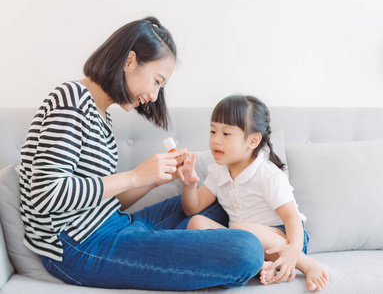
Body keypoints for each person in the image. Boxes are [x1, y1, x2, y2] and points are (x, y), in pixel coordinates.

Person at [19, 17, 264, 291]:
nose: (155, 95)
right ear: (130, 61)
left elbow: (104, 200)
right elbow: (45, 195)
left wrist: (154, 179)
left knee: (211, 203)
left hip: (112, 225)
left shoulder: (100, 114)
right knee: (247, 250)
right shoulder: (70, 100)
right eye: (157, 81)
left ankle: (275, 252)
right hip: (77, 246)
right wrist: (136, 177)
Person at [179, 95, 329, 291]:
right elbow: (193, 208)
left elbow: (291, 218)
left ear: (252, 140)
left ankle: (306, 263)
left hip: (284, 237)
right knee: (196, 223)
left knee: (244, 230)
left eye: (226, 134)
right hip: (241, 242)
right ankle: (261, 266)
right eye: (213, 131)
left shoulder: (267, 175)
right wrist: (189, 185)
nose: (216, 140)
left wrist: (293, 250)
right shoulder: (217, 171)